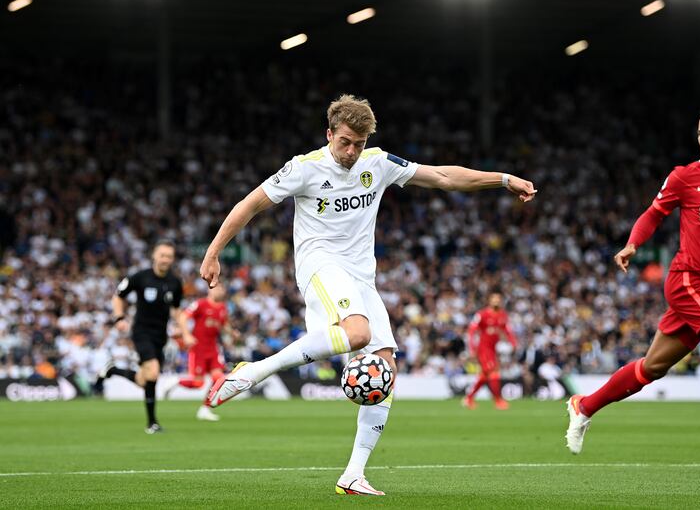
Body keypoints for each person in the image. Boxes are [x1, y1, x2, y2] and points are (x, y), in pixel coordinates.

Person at [199, 94, 536, 495]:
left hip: (362, 277)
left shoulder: (378, 163)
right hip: (321, 266)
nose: (352, 151)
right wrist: (214, 250)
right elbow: (250, 204)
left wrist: (501, 178)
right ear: (329, 134)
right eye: (345, 141)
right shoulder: (304, 168)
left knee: (385, 368)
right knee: (357, 334)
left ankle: (353, 474)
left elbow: (444, 178)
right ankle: (254, 371)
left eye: (358, 143)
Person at [565, 108, 700, 470]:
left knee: (651, 368)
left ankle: (584, 405)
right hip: (688, 279)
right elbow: (653, 213)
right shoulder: (685, 177)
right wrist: (632, 244)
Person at [98, 240, 184, 434]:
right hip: (141, 332)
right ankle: (151, 423)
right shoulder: (140, 277)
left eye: (169, 256)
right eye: (162, 255)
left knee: (145, 380)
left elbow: (177, 309)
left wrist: (182, 329)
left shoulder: (175, 282)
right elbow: (118, 296)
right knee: (153, 373)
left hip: (161, 336)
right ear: (154, 256)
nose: (166, 260)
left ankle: (114, 371)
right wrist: (119, 317)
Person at [164, 283, 234, 421]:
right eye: (217, 288)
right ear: (210, 290)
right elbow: (183, 317)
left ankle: (204, 409)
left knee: (219, 379)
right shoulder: (200, 304)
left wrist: (232, 333)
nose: (220, 291)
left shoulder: (223, 308)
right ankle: (176, 382)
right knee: (198, 384)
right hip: (198, 348)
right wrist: (186, 335)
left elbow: (224, 325)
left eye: (222, 288)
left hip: (213, 349)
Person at [462, 291, 517, 410]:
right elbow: (471, 331)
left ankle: (469, 398)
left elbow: (507, 330)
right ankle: (498, 400)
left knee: (484, 375)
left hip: (492, 349)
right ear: (489, 301)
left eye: (498, 299)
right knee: (494, 372)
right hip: (483, 348)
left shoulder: (502, 315)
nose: (496, 301)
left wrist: (513, 342)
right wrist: (472, 348)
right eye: (494, 299)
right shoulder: (482, 314)